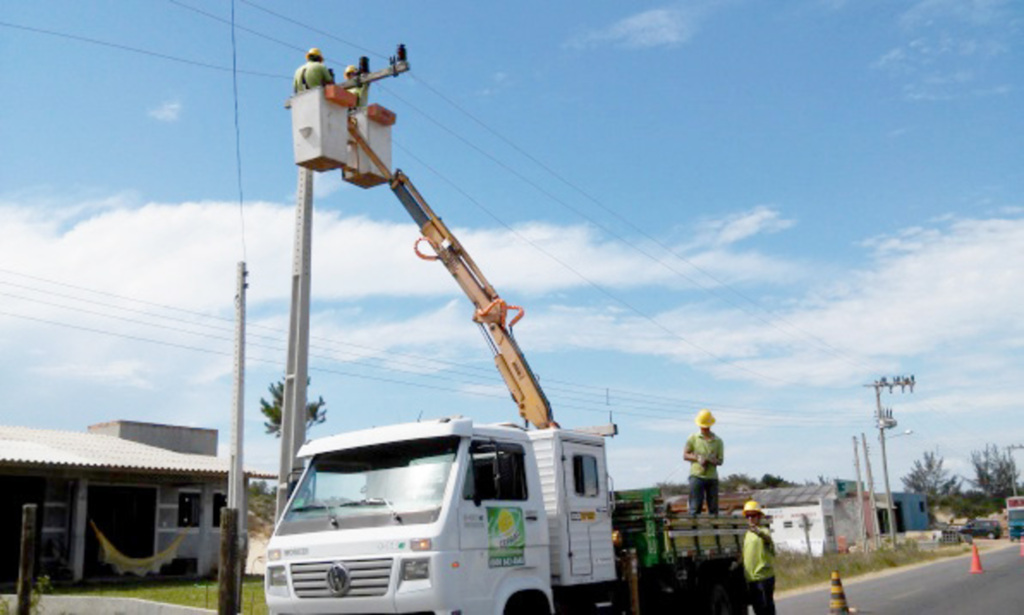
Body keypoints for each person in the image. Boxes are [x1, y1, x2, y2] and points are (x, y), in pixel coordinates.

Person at [683, 408, 724, 515]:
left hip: (712, 478)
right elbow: (685, 455)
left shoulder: (718, 441)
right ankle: (694, 530)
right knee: (695, 507)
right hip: (697, 476)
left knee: (713, 508)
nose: (704, 428)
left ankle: (715, 530)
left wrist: (712, 460)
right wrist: (698, 458)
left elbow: (720, 461)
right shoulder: (693, 438)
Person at [742, 500, 776, 615]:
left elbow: (767, 538)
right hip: (752, 579)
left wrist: (758, 532)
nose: (750, 519)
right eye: (747, 516)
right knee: (758, 609)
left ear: (759, 516)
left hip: (764, 578)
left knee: (766, 608)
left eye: (753, 515)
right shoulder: (747, 534)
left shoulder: (763, 530)